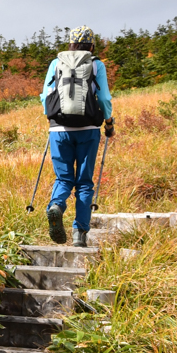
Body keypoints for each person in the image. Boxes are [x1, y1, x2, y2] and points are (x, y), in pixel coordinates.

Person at [39, 26, 114, 247]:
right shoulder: (96, 64)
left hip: (58, 129)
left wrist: (50, 119)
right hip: (88, 129)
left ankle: (56, 206)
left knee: (63, 178)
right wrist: (109, 122)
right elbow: (104, 98)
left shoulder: (56, 63)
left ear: (70, 44)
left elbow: (46, 96)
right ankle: (79, 234)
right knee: (84, 183)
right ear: (91, 46)